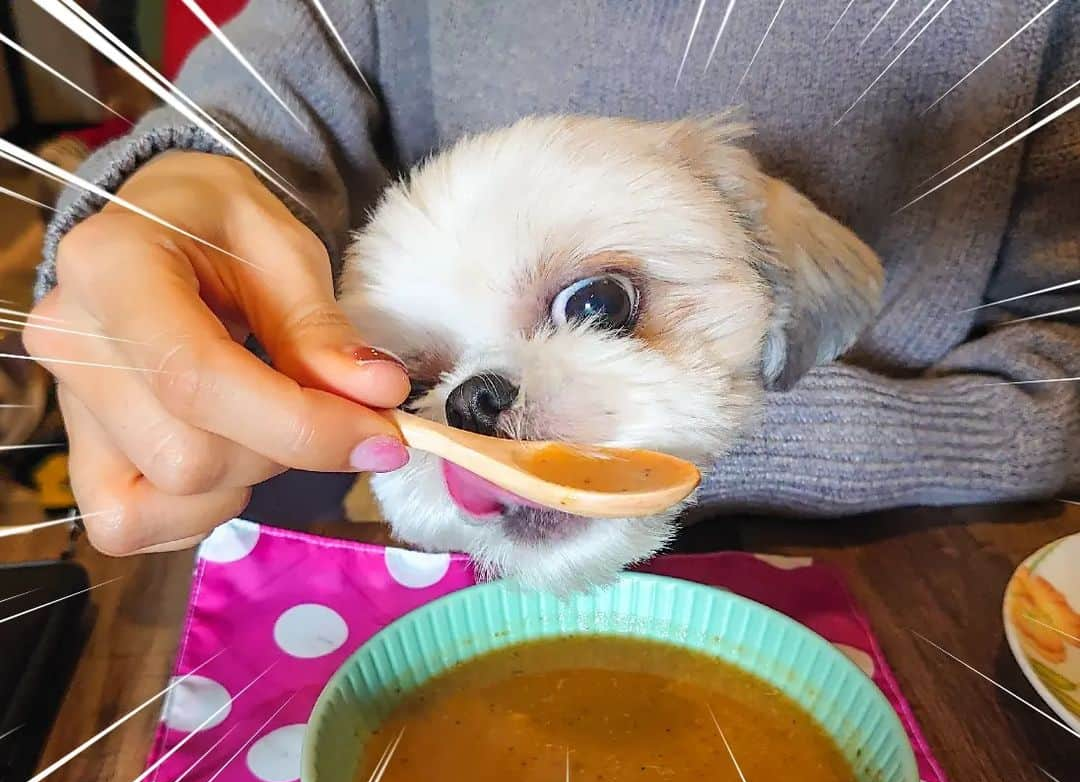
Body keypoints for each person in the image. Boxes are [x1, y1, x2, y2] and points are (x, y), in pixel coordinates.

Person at [26, 0, 1080, 557]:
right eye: (413, 373)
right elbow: (268, 99)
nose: (476, 410)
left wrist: (746, 440)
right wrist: (169, 190)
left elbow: (1060, 370)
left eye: (598, 304)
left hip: (923, 576)